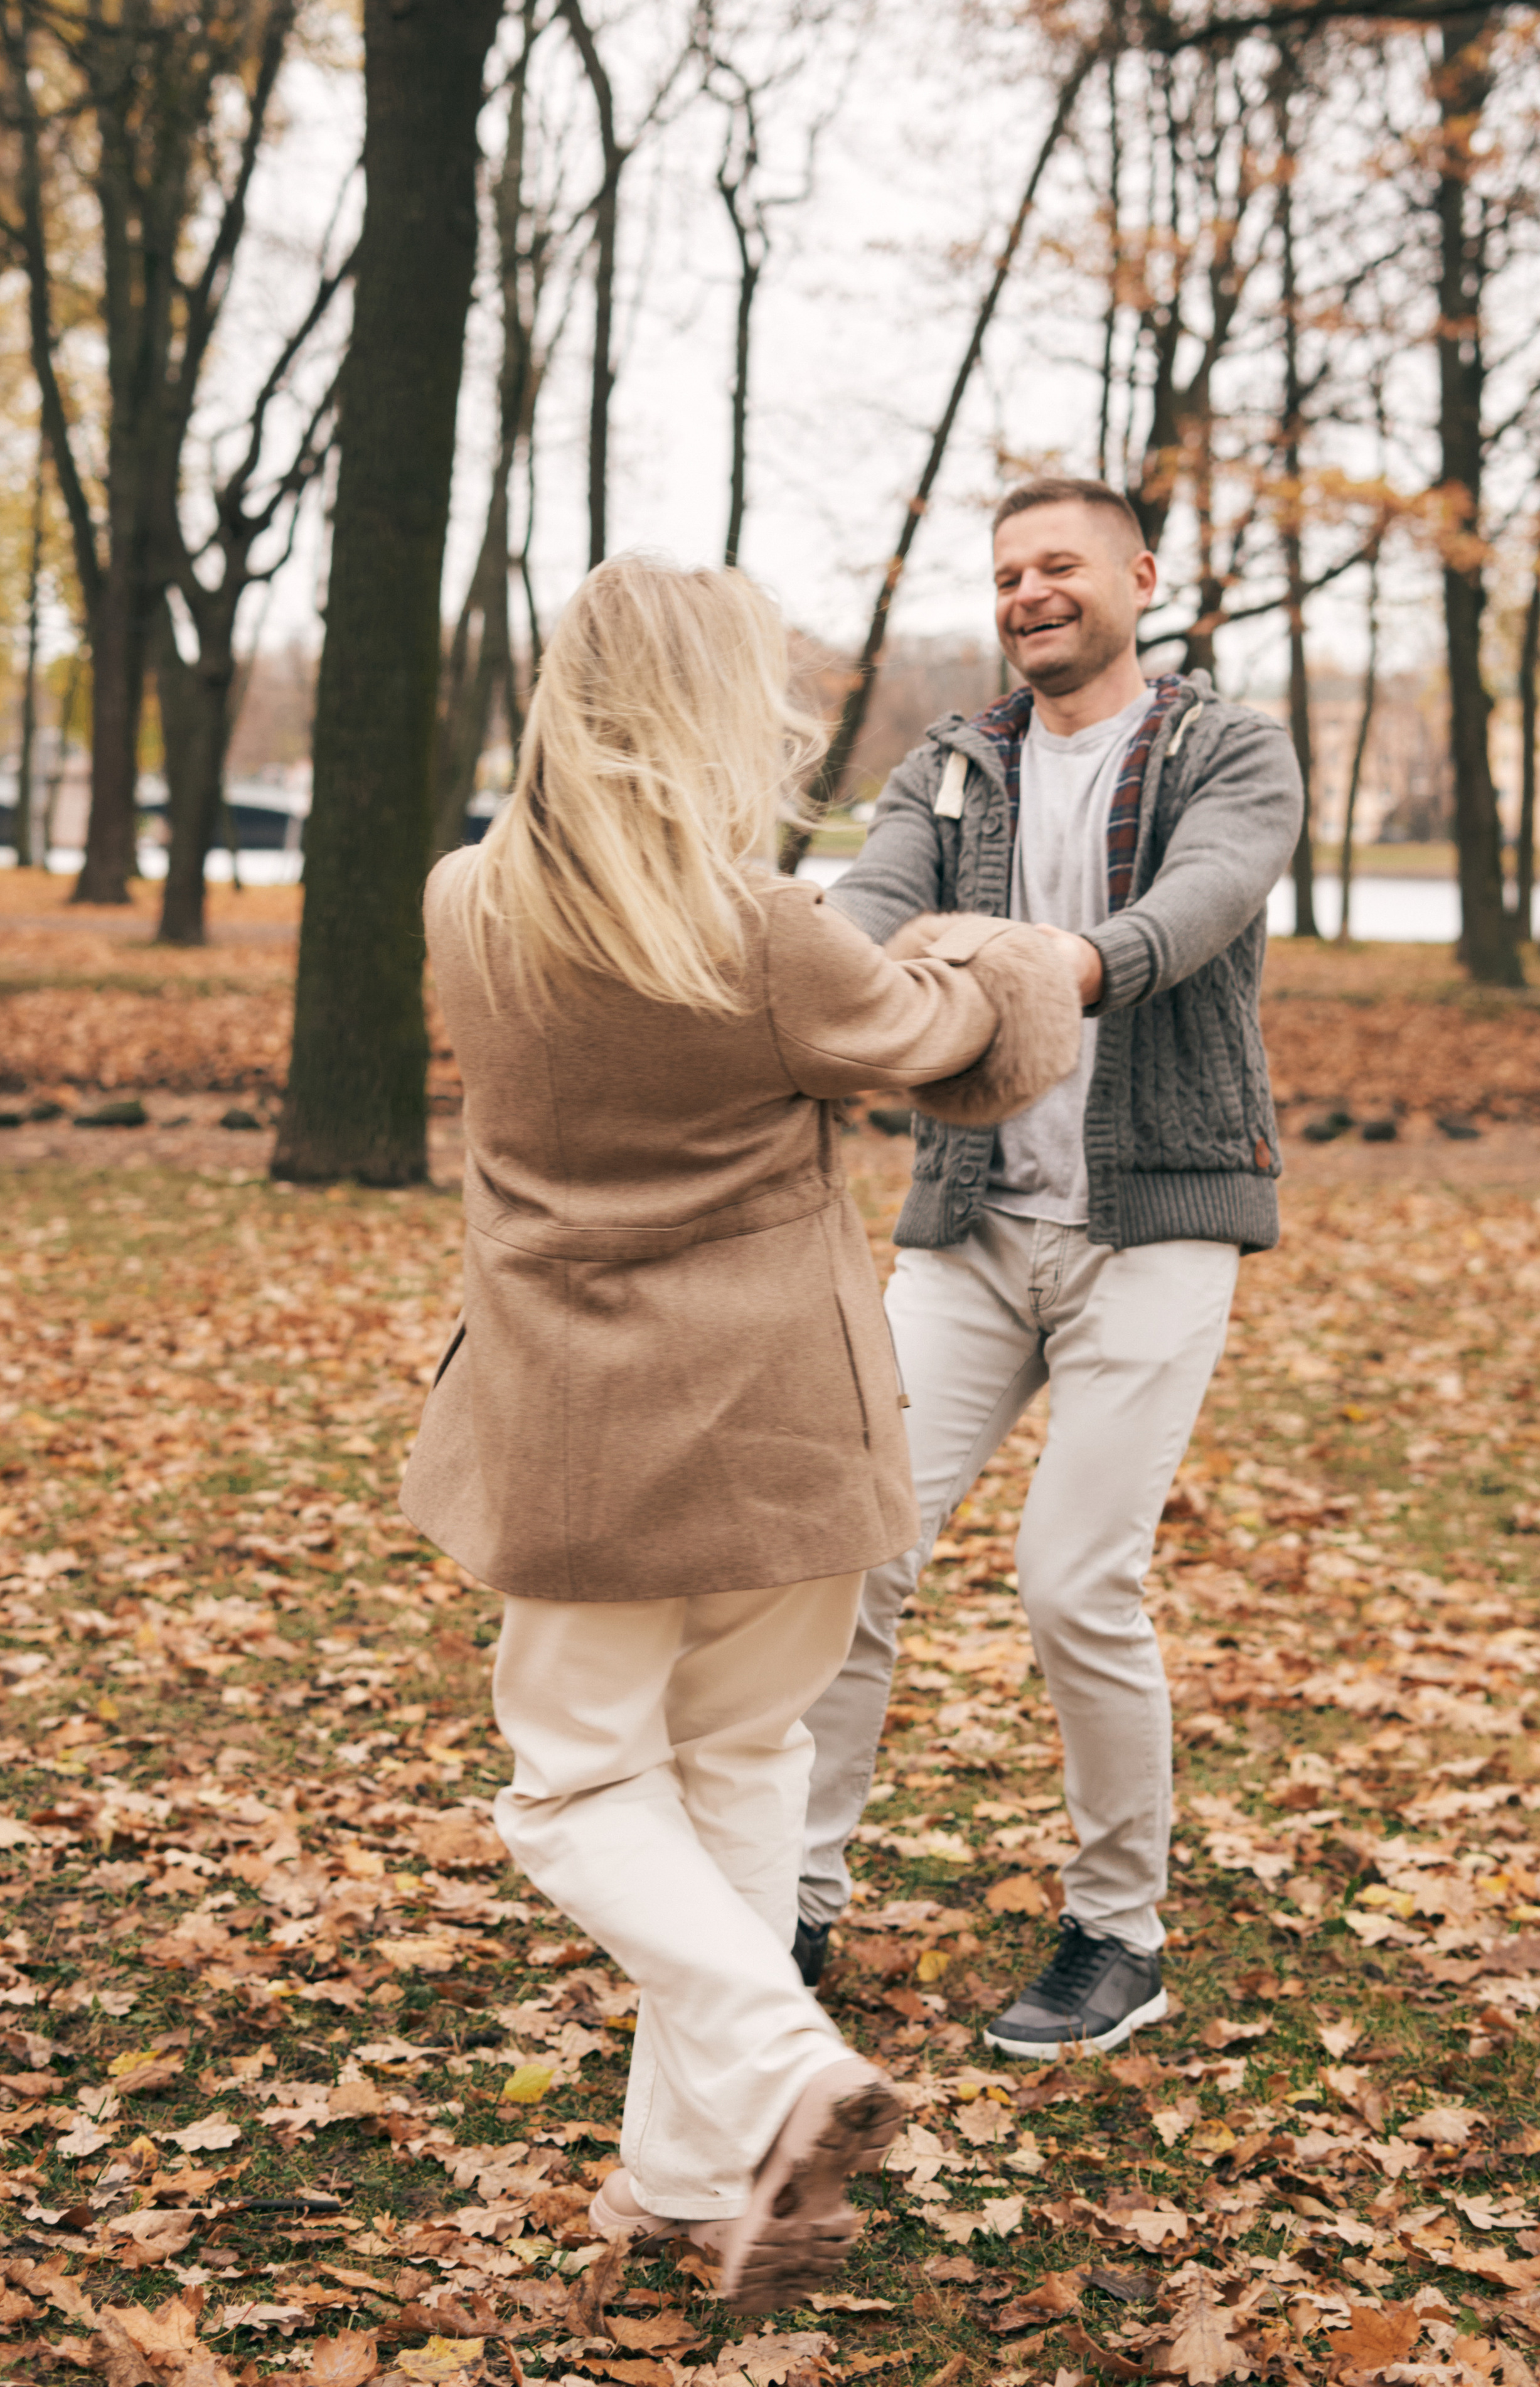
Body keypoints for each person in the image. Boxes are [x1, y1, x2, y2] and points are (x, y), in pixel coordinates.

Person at [400, 555, 1085, 2308]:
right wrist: (993, 957)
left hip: (574, 1419)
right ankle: (762, 2091)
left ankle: (704, 2158)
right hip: (780, 1415)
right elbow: (953, 1039)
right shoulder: (769, 932)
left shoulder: (468, 901)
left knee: (580, 1782)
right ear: (717, 710)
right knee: (733, 1766)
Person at [793, 475, 1305, 2057]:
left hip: (1155, 1223)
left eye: (1059, 566)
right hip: (971, 1228)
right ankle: (784, 1902)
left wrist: (1054, 966)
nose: (1028, 593)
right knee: (847, 1551)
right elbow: (866, 915)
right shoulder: (951, 764)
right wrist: (812, 974)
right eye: (1009, 573)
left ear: (1137, 578)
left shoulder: (1228, 747)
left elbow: (1200, 903)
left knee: (1074, 1579)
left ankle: (1116, 1936)